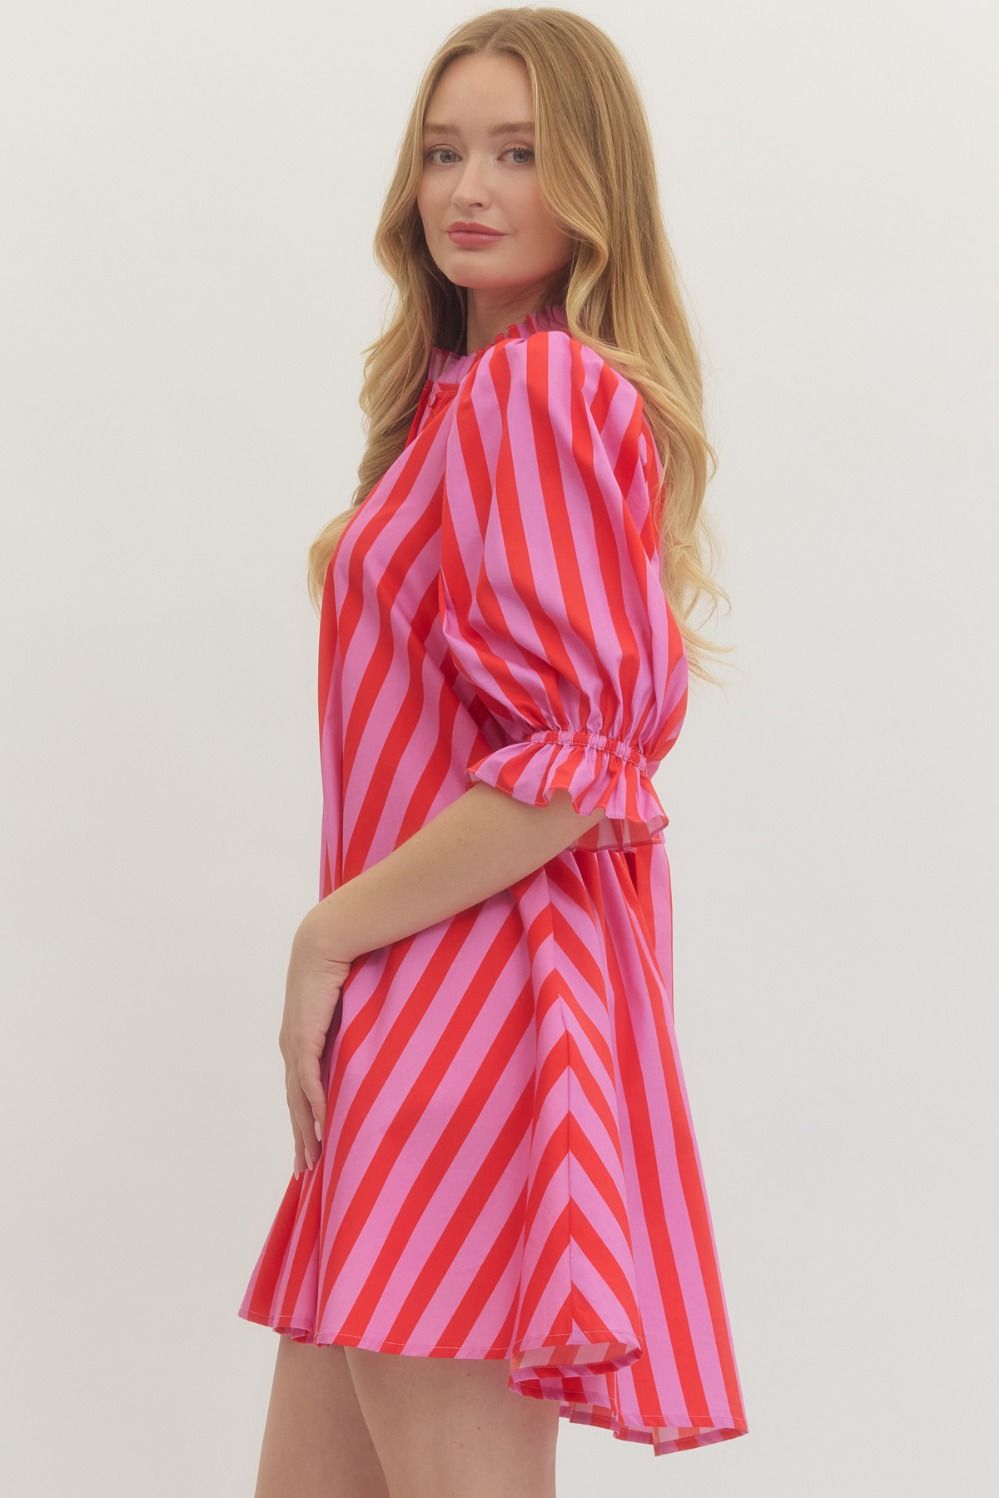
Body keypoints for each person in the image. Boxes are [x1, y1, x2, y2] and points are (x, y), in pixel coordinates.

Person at [237, 9, 749, 1495]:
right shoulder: (459, 401)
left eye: (519, 154)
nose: (468, 189)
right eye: (444, 151)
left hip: (464, 1014)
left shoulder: (537, 390)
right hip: (431, 1012)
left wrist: (327, 936)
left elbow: (575, 765)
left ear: (591, 183)